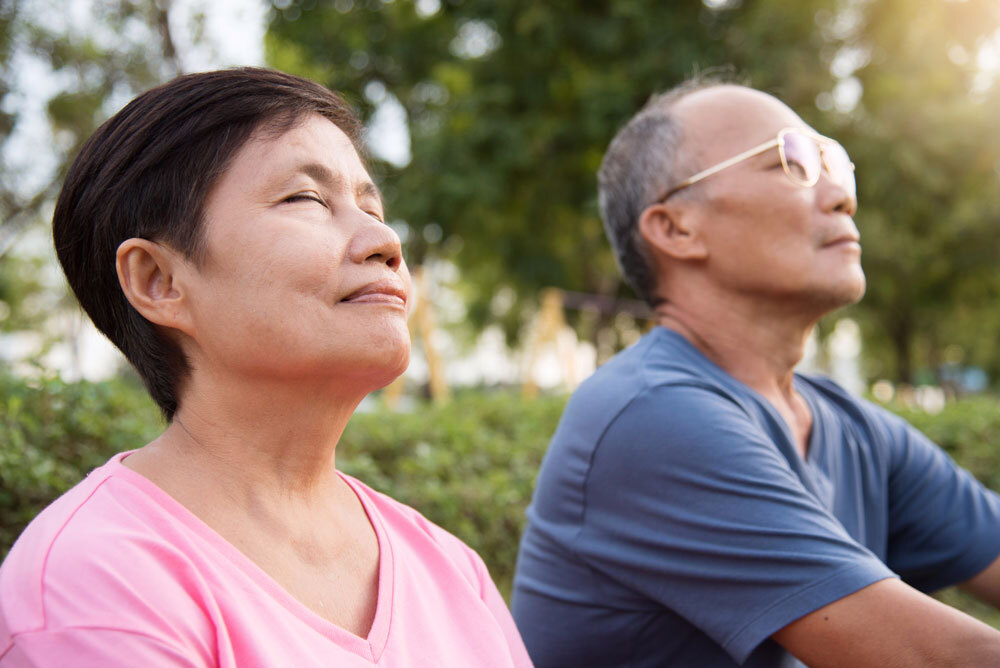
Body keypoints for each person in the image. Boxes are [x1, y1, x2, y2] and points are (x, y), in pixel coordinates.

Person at [0, 68, 531, 668]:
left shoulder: (449, 566)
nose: (383, 239)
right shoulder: (95, 582)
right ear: (160, 281)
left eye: (370, 205)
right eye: (306, 198)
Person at [511, 78, 1000, 667]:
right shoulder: (651, 417)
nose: (841, 196)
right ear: (675, 228)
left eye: (833, 162)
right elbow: (935, 658)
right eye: (790, 160)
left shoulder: (850, 428)